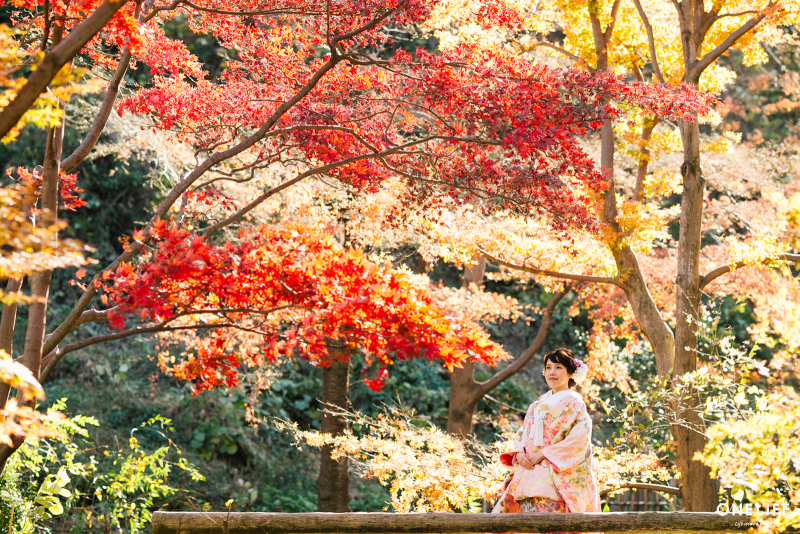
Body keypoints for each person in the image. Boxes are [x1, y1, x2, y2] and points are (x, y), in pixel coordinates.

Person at [492, 348, 601, 534]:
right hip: (529, 473)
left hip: (555, 475)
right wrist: (519, 453)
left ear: (570, 372)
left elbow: (579, 439)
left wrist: (542, 454)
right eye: (548, 367)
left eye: (558, 367)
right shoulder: (537, 404)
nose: (552, 372)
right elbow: (523, 432)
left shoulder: (575, 402)